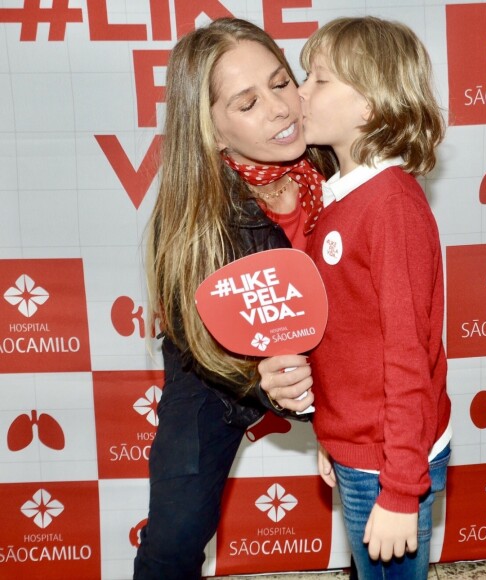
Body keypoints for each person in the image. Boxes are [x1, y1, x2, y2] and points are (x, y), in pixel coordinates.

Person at [134, 17, 335, 579]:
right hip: (215, 366)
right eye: (247, 102)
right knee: (172, 540)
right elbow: (199, 338)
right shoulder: (194, 218)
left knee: (379, 501)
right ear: (212, 131)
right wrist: (261, 378)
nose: (279, 108)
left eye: (279, 82)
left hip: (330, 347)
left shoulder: (338, 163)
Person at [298, 16, 452, 579]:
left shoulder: (391, 206)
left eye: (319, 80)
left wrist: (400, 488)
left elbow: (409, 355)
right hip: (362, 449)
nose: (300, 93)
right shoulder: (344, 200)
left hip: (391, 461)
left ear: (368, 106)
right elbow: (347, 338)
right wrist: (336, 434)